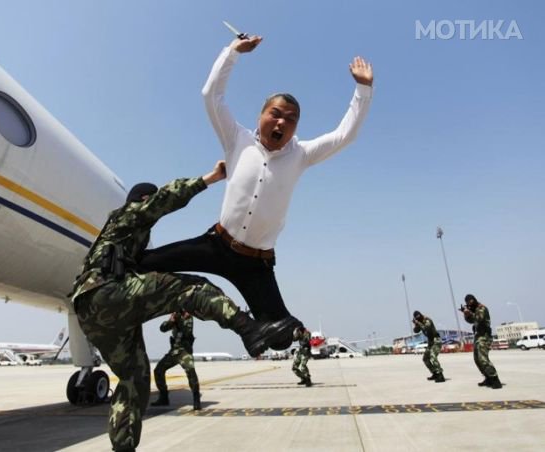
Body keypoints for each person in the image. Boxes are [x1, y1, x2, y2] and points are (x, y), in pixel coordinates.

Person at [140, 33, 373, 349]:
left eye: (290, 119)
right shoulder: (237, 139)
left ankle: (249, 327)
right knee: (145, 262)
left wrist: (363, 89)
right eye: (275, 114)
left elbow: (345, 135)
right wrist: (233, 51)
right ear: (260, 117)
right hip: (217, 244)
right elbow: (211, 95)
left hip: (256, 264)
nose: (281, 122)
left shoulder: (301, 155)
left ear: (296, 128)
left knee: (279, 337)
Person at [69, 161, 298, 452]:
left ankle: (122, 448)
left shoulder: (120, 239)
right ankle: (248, 328)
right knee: (192, 287)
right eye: (148, 201)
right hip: (108, 292)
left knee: (133, 379)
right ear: (142, 200)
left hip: (91, 311)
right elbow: (166, 198)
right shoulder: (128, 215)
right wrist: (210, 179)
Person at [151, 309, 201, 410]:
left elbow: (186, 332)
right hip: (174, 352)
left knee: (191, 371)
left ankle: (196, 399)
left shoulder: (189, 317)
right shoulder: (176, 317)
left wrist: (180, 320)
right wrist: (171, 320)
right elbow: (163, 328)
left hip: (185, 352)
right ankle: (164, 397)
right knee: (158, 370)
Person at [461, 294, 502, 389]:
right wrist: (466, 315)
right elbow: (471, 320)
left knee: (483, 359)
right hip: (478, 336)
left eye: (470, 301)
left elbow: (479, 318)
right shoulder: (474, 310)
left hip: (485, 336)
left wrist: (470, 313)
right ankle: (488, 377)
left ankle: (495, 379)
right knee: (477, 359)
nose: (469, 304)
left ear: (474, 300)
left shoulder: (482, 308)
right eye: (468, 303)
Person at [412, 310, 445, 383]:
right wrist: (416, 325)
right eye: (416, 317)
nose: (418, 318)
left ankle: (440, 375)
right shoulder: (420, 322)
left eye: (418, 316)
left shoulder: (427, 320)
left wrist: (419, 323)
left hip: (436, 340)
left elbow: (426, 328)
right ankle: (435, 373)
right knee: (425, 358)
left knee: (433, 356)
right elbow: (415, 331)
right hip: (430, 342)